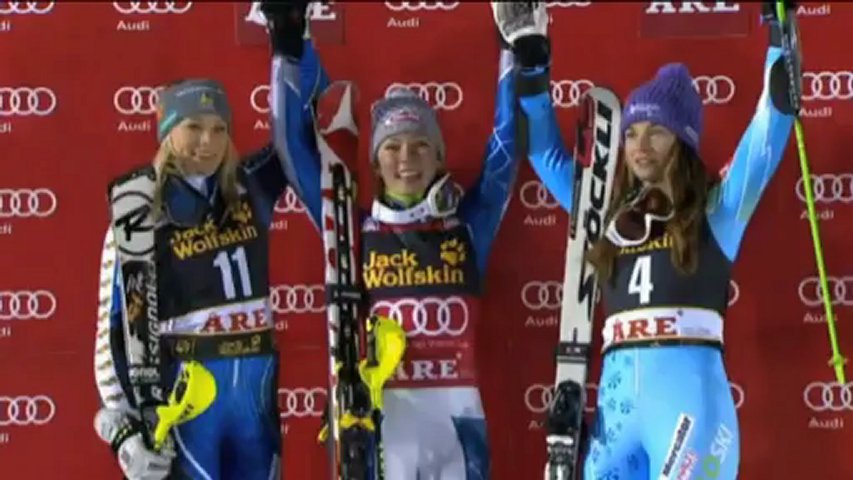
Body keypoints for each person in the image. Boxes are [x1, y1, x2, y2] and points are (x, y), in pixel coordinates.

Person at [514, 2, 796, 479]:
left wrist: (780, 33)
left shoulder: (717, 210)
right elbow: (543, 152)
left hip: (691, 413)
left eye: (657, 132)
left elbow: (771, 127)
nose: (640, 146)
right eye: (632, 134)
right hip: (616, 416)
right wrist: (532, 64)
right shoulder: (604, 213)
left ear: (683, 141)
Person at [259, 2, 535, 477]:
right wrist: (287, 45)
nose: (406, 158)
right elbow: (291, 147)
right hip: (384, 421)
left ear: (439, 156)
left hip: (459, 422)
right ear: (374, 160)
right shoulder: (350, 231)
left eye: (421, 145)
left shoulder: (468, 225)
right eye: (392, 147)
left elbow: (506, 151)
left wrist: (515, 48)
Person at [92, 76, 322, 479]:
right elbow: (111, 332)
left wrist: (290, 52)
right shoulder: (138, 210)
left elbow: (297, 131)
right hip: (188, 397)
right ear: (167, 132)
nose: (208, 142)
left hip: (255, 395)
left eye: (219, 129)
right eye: (193, 127)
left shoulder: (252, 185)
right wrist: (122, 428)